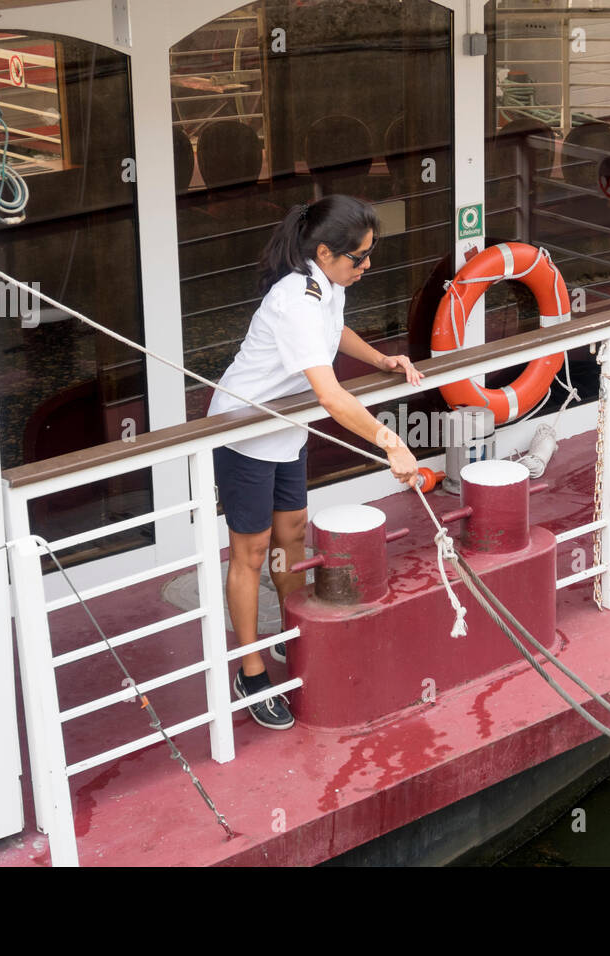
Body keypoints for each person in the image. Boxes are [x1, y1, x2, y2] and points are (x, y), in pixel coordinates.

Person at [208, 195, 422, 730]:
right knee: (251, 551)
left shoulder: (326, 285)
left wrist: (381, 359)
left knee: (292, 534)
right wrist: (389, 440)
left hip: (284, 427)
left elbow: (335, 334)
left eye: (371, 254)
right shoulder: (295, 299)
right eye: (360, 258)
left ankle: (288, 633)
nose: (367, 266)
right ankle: (252, 671)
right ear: (325, 253)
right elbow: (330, 396)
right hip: (244, 434)